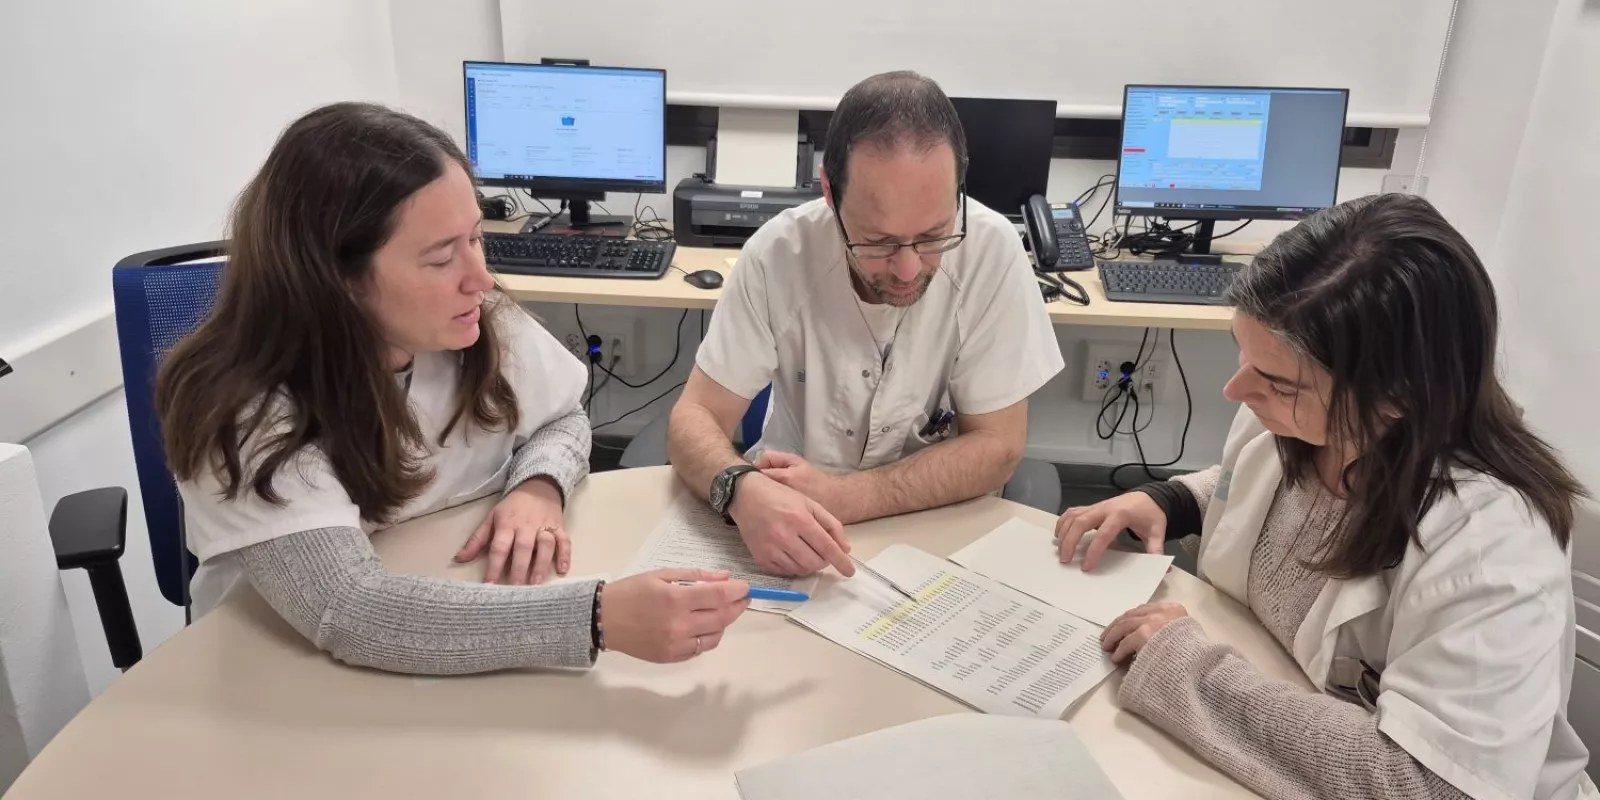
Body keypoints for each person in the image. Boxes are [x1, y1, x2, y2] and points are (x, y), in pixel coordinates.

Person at [158, 102, 749, 675]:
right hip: (281, 675)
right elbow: (351, 609)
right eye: (442, 258)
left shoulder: (475, 324)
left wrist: (539, 485)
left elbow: (563, 418)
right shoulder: (250, 411)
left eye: (477, 238)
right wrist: (596, 617)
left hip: (452, 626)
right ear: (333, 279)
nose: (481, 277)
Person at [1054, 194, 1589, 799]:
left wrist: (1191, 672)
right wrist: (1174, 499)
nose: (1236, 390)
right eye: (1242, 352)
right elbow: (1257, 492)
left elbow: (1429, 786)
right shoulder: (1305, 418)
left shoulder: (1493, 548)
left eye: (1276, 380)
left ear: (1396, 397)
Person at [667, 71, 1064, 578]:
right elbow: (693, 417)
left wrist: (846, 496)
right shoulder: (778, 253)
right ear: (830, 193)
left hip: (936, 525)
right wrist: (740, 489)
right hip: (786, 517)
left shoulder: (992, 252)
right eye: (877, 241)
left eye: (933, 235)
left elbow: (998, 447)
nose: (907, 268)